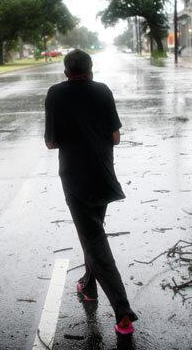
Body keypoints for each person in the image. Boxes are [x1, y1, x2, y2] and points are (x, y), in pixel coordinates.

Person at [44, 49, 138, 335]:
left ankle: (122, 311)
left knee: (94, 238)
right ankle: (88, 285)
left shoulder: (55, 94)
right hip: (103, 174)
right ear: (91, 69)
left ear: (65, 71)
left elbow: (50, 142)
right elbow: (115, 137)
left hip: (76, 179)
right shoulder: (103, 91)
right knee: (92, 232)